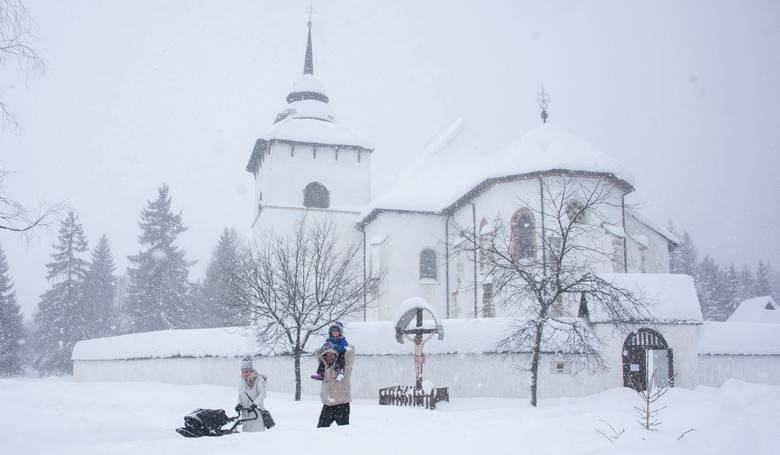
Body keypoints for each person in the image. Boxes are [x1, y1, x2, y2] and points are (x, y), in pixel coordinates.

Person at [317, 346, 354, 428]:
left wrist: (340, 344)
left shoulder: (344, 369)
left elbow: (351, 350)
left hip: (341, 405)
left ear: (337, 356)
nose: (330, 357)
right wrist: (326, 344)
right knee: (320, 431)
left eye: (332, 355)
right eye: (327, 355)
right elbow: (317, 353)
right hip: (327, 405)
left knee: (344, 432)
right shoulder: (324, 369)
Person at [235, 356, 267, 432]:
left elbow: (263, 393)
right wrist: (238, 404)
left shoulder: (258, 380)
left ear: (251, 371)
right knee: (246, 436)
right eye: (242, 371)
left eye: (246, 371)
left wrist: (255, 404)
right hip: (246, 413)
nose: (244, 374)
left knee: (256, 436)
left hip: (256, 413)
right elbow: (240, 395)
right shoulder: (241, 382)